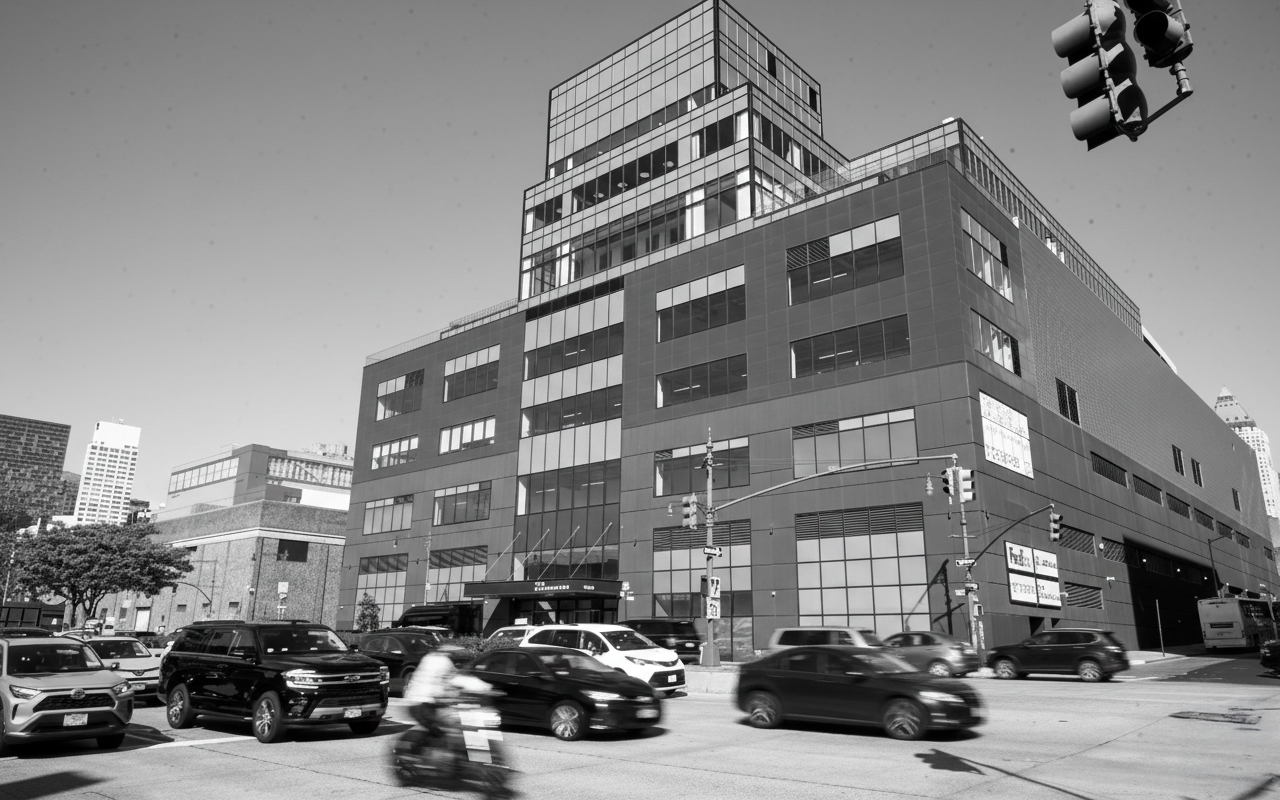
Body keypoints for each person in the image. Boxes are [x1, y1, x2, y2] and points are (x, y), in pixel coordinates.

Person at [402, 646, 491, 763]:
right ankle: (429, 759)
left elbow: (445, 683)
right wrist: (486, 687)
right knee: (447, 730)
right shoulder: (443, 662)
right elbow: (456, 679)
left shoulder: (430, 658)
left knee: (442, 729)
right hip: (423, 705)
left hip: (416, 703)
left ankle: (421, 754)